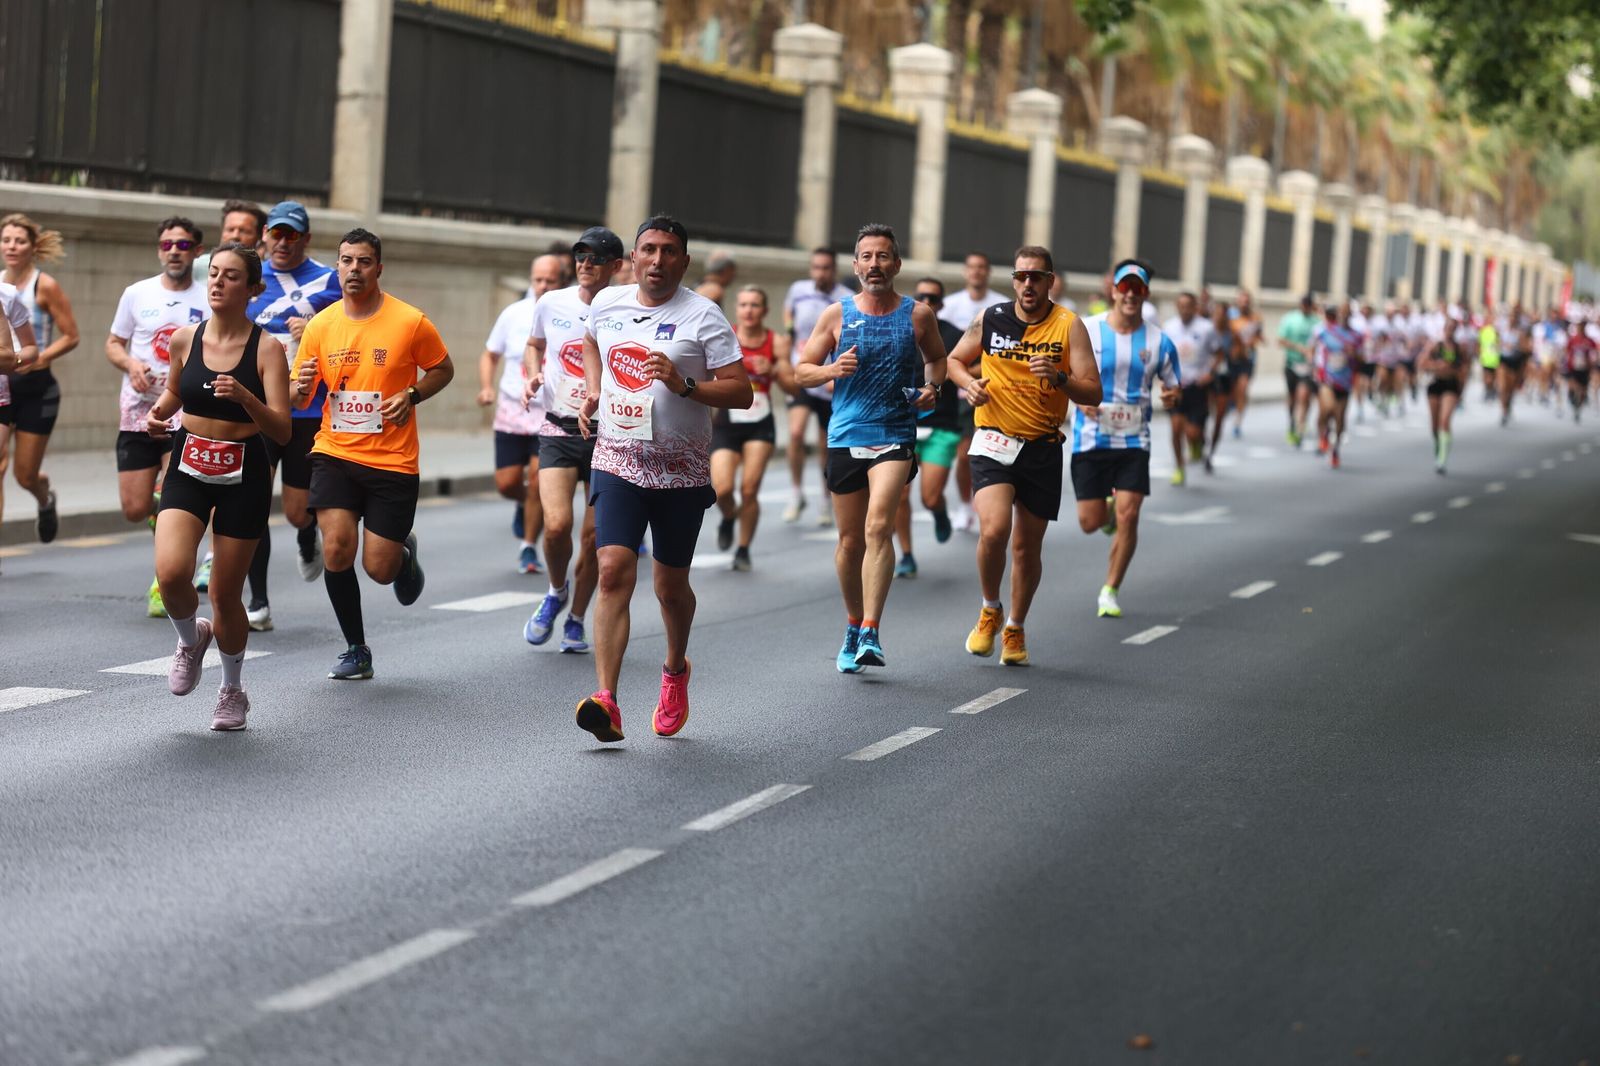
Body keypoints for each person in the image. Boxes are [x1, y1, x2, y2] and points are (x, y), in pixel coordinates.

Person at [570, 215, 753, 743]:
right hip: (617, 459)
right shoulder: (608, 304)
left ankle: (674, 669)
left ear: (684, 261)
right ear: (633, 257)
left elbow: (741, 392)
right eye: (648, 250)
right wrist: (593, 391)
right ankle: (607, 699)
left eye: (669, 251)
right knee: (611, 569)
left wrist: (685, 383)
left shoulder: (704, 316)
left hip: (681, 471)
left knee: (670, 587)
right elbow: (590, 344)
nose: (657, 260)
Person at [291, 228, 455, 680]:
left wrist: (413, 394)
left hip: (392, 461)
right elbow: (300, 394)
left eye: (363, 262)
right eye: (346, 261)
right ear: (337, 266)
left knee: (379, 569)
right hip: (335, 451)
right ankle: (355, 648)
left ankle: (403, 555)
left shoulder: (410, 321)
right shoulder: (321, 325)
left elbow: (443, 368)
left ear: (378, 268)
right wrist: (299, 388)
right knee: (337, 549)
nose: (354, 270)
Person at [147, 242, 291, 730]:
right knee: (170, 573)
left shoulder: (267, 349)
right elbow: (173, 389)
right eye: (214, 274)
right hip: (189, 461)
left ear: (252, 289)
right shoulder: (186, 338)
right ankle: (191, 641)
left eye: (231, 276)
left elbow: (282, 430)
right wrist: (159, 413)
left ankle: (232, 690)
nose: (217, 282)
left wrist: (246, 395)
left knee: (226, 595)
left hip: (243, 470)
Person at [796, 223, 947, 674]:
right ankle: (851, 622)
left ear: (896, 264)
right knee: (849, 541)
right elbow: (802, 369)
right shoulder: (835, 315)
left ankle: (871, 631)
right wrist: (830, 371)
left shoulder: (918, 316)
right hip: (846, 435)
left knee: (878, 527)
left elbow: (937, 359)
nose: (874, 265)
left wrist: (932, 387)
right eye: (866, 257)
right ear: (856, 265)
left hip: (895, 434)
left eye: (883, 256)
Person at [945, 247, 1098, 665]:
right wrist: (967, 385)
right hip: (993, 439)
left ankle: (1015, 627)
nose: (1028, 285)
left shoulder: (1069, 326)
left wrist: (1061, 377)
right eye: (1021, 276)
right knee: (993, 530)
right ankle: (989, 608)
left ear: (1050, 282)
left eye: (1037, 277)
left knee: (1027, 549)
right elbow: (954, 361)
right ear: (1013, 280)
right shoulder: (991, 318)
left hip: (1042, 447)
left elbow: (1093, 390)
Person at [239, 201, 344, 631]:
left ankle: (305, 532)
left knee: (298, 511)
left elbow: (350, 328)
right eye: (277, 234)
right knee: (252, 504)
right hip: (258, 407)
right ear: (265, 234)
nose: (283, 243)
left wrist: (317, 322)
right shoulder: (249, 281)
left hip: (308, 408)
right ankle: (259, 602)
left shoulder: (329, 280)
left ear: (305, 239)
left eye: (292, 235)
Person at [521, 228, 626, 652]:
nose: (585, 264)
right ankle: (555, 591)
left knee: (593, 540)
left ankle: (577, 619)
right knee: (557, 525)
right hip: (559, 427)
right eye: (580, 256)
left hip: (609, 433)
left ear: (616, 267)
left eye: (596, 258)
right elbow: (534, 344)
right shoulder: (552, 302)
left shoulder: (627, 307)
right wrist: (532, 373)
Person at [106, 218, 211, 617]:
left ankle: (163, 577)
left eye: (183, 244)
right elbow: (114, 343)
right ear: (158, 249)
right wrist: (131, 363)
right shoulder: (137, 293)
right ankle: (166, 548)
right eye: (167, 243)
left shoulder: (206, 298)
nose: (174, 250)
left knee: (170, 495)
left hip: (185, 412)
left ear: (197, 251)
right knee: (135, 507)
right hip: (137, 409)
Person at [1071, 260, 1180, 619]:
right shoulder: (1086, 330)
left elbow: (1173, 384)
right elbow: (1062, 375)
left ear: (1146, 293)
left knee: (1129, 515)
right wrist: (1076, 400)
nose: (1131, 294)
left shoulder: (1159, 340)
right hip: (1090, 439)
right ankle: (1106, 516)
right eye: (1125, 287)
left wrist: (1171, 397)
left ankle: (1110, 590)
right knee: (1090, 522)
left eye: (1139, 288)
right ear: (1113, 290)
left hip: (1135, 442)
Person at [480, 254, 564, 575]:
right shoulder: (513, 314)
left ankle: (528, 547)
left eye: (550, 281)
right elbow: (490, 354)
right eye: (538, 279)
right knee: (507, 483)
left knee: (539, 477)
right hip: (512, 410)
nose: (542, 286)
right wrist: (487, 386)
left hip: (549, 413)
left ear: (561, 281)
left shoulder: (567, 314)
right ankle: (523, 502)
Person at [1, 213, 73, 547]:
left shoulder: (43, 285)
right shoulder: (0, 285)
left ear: (32, 247)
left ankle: (45, 499)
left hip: (36, 387)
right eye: (6, 240)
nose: (12, 246)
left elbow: (71, 335)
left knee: (24, 475)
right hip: (4, 385)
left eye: (19, 240)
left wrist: (38, 358)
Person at [891, 277, 966, 578]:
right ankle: (907, 555)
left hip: (941, 423)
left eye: (933, 298)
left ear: (941, 303)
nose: (927, 302)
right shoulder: (899, 330)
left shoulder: (953, 334)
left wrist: (946, 375)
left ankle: (939, 511)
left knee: (929, 496)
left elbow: (973, 364)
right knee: (900, 496)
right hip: (904, 421)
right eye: (922, 296)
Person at [712, 285, 790, 571]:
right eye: (744, 304)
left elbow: (794, 385)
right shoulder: (725, 336)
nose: (748, 310)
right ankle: (729, 516)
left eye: (755, 305)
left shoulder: (776, 342)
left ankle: (743, 549)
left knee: (749, 488)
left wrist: (775, 371)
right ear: (737, 309)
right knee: (721, 490)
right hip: (728, 420)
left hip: (760, 420)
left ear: (765, 311)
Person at [782, 248, 854, 526]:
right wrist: (788, 352)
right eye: (816, 267)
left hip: (827, 379)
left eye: (825, 268)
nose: (820, 273)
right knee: (797, 433)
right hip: (803, 373)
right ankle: (796, 492)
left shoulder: (843, 300)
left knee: (826, 445)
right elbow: (789, 316)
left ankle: (825, 500)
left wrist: (835, 377)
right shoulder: (798, 289)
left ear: (833, 270)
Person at [1161, 291, 1213, 485]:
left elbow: (1218, 353)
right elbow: (1162, 356)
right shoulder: (1169, 327)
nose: (1184, 309)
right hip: (1176, 386)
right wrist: (1163, 378)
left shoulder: (1206, 328)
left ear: (1195, 307)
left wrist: (1210, 373)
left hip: (1197, 386)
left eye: (1188, 305)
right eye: (1181, 305)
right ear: (1177, 307)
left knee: (1193, 432)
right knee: (1175, 429)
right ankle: (1179, 467)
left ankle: (1197, 443)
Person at [1312, 302, 1363, 469]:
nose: (1344, 316)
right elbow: (1312, 347)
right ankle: (1324, 434)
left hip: (1346, 381)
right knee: (1327, 409)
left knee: (1340, 420)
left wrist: (1354, 354)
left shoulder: (1356, 336)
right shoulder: (1325, 331)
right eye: (1342, 313)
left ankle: (1335, 450)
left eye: (1348, 313)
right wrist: (1314, 366)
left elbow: (1363, 358)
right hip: (1328, 378)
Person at [1421, 318, 1467, 473]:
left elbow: (1464, 370)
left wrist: (1461, 389)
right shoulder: (1435, 346)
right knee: (1434, 426)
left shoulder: (1460, 349)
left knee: (1445, 421)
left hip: (1451, 386)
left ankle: (1442, 460)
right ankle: (1438, 446)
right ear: (1444, 329)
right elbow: (1422, 363)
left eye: (1453, 328)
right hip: (1435, 384)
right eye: (1448, 327)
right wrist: (1436, 366)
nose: (1450, 331)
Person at [1201, 301, 1239, 473]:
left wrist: (1235, 353)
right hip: (1206, 377)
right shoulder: (1206, 330)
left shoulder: (1231, 334)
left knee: (1219, 417)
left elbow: (1239, 353)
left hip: (1224, 378)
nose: (1219, 317)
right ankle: (1201, 442)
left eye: (1223, 314)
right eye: (1216, 313)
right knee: (1203, 413)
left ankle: (1210, 452)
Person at [1277, 292, 1317, 446]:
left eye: (1308, 304)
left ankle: (1301, 425)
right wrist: (1298, 348)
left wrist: (1312, 352)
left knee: (1304, 395)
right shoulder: (1290, 319)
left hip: (1308, 366)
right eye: (1303, 304)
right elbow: (1280, 340)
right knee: (1292, 396)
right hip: (1292, 363)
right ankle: (1292, 422)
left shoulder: (1316, 321)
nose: (1305, 307)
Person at [191, 200, 265, 283]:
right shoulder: (196, 267)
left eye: (244, 231)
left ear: (259, 237)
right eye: (230, 229)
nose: (235, 236)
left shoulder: (265, 275)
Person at [938, 251, 1009, 330]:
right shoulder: (948, 304)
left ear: (989, 271)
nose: (976, 271)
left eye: (981, 267)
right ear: (964, 271)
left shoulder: (1003, 305)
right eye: (971, 267)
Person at [1563, 318, 1594, 424]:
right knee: (1574, 386)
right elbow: (1566, 351)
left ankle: (1578, 408)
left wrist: (1591, 364)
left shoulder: (1589, 341)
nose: (1580, 329)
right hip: (1573, 367)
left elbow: (1593, 354)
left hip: (1584, 368)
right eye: (1578, 327)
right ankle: (1572, 396)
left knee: (1583, 391)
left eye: (1582, 327)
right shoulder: (1572, 340)